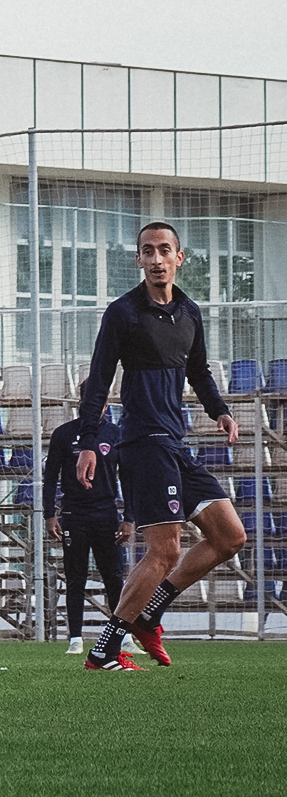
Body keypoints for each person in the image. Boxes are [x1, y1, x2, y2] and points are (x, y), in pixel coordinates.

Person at [75, 221, 245, 671]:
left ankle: (151, 613)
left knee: (230, 537)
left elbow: (200, 372)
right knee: (165, 549)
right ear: (138, 259)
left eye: (164, 250)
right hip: (142, 443)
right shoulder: (123, 312)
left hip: (175, 443)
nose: (156, 258)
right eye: (147, 251)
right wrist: (89, 440)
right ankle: (105, 649)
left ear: (178, 258)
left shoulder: (189, 311)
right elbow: (99, 381)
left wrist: (220, 411)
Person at [43, 381, 132, 654]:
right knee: (75, 578)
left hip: (106, 513)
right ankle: (75, 639)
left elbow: (127, 478)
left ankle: (124, 637)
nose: (100, 406)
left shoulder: (117, 434)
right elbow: (49, 479)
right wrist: (49, 515)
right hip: (74, 514)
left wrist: (129, 517)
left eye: (104, 401)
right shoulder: (64, 434)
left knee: (114, 578)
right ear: (83, 402)